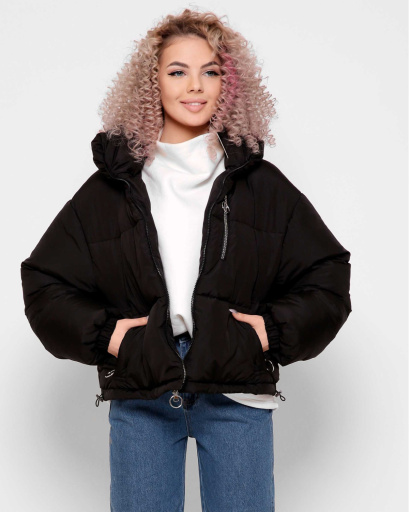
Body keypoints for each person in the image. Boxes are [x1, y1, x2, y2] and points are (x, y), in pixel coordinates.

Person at [20, 8, 352, 512]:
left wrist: (268, 332)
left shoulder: (262, 185)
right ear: (151, 83)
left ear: (228, 85)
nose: (195, 86)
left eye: (210, 71)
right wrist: (109, 337)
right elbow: (44, 282)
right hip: (143, 387)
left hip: (236, 388)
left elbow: (327, 276)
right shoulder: (113, 188)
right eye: (178, 71)